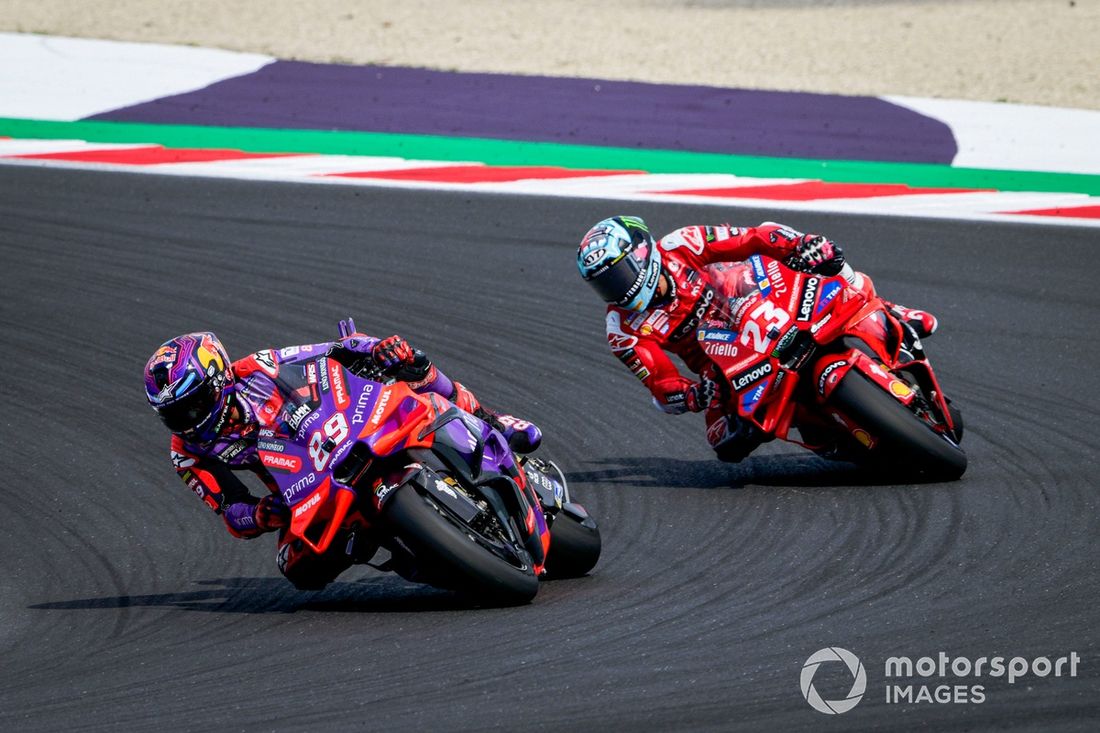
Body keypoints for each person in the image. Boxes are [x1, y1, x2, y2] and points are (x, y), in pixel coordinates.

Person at [143, 323, 542, 590]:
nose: (187, 420)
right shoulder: (187, 452)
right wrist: (266, 513)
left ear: (219, 380)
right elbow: (230, 511)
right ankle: (399, 545)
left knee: (412, 366)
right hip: (305, 489)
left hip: (344, 427)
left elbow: (334, 349)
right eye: (174, 415)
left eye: (193, 405)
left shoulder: (259, 368)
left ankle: (492, 420)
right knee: (297, 570)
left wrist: (376, 349)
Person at [575, 216, 937, 463]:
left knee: (816, 254)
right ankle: (829, 434)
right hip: (723, 363)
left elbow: (749, 239)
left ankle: (886, 308)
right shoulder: (622, 329)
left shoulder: (681, 243)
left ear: (642, 252)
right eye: (603, 284)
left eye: (618, 275)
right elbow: (659, 381)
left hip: (757, 297)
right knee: (724, 442)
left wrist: (798, 246)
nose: (615, 290)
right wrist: (692, 394)